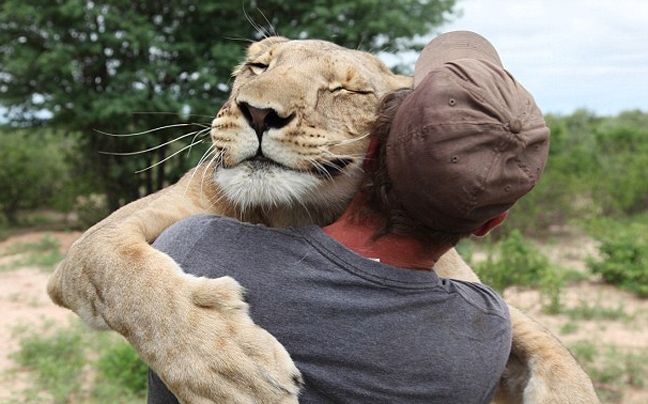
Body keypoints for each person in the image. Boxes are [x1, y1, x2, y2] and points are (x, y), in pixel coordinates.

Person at [147, 31, 550, 404]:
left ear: (374, 148)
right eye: (258, 67)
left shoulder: (196, 247)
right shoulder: (487, 330)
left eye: (349, 90)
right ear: (491, 223)